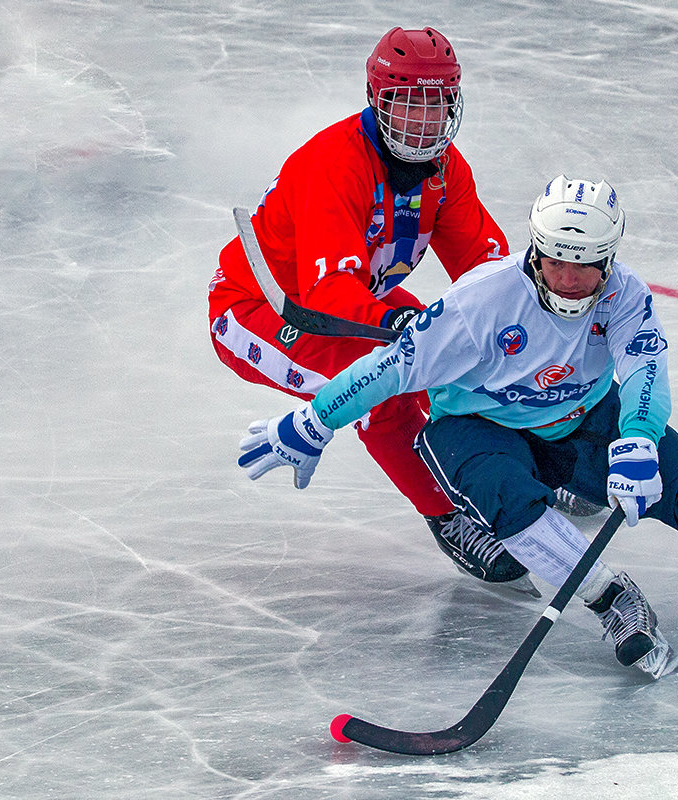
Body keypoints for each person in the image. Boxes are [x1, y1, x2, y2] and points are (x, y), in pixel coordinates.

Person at [236, 175, 678, 678]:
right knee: (510, 503)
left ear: (609, 262)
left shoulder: (625, 295)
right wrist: (313, 422)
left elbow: (646, 367)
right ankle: (611, 600)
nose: (569, 279)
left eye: (585, 266)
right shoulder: (481, 303)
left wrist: (640, 436)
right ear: (535, 251)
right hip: (477, 425)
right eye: (556, 262)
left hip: (583, 416)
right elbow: (391, 370)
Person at [208, 26, 542, 591]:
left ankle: (521, 461)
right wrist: (400, 327)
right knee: (381, 389)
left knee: (476, 353)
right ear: (377, 98)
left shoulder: (447, 170)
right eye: (409, 103)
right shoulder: (333, 165)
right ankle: (448, 516)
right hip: (266, 313)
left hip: (363, 298)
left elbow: (485, 273)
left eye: (437, 105)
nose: (424, 122)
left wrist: (533, 313)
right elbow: (325, 296)